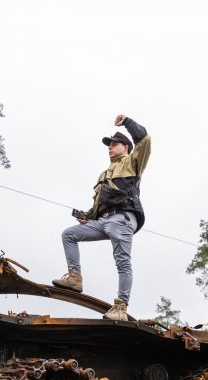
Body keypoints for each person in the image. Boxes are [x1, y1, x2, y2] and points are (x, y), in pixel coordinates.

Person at [52, 114, 152, 321]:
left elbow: (145, 140)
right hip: (103, 220)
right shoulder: (103, 174)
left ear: (125, 147)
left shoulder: (132, 163)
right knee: (69, 234)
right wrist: (88, 216)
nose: (110, 147)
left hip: (122, 220)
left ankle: (121, 308)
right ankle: (74, 278)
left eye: (114, 144)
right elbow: (98, 205)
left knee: (122, 262)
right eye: (109, 145)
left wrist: (127, 122)